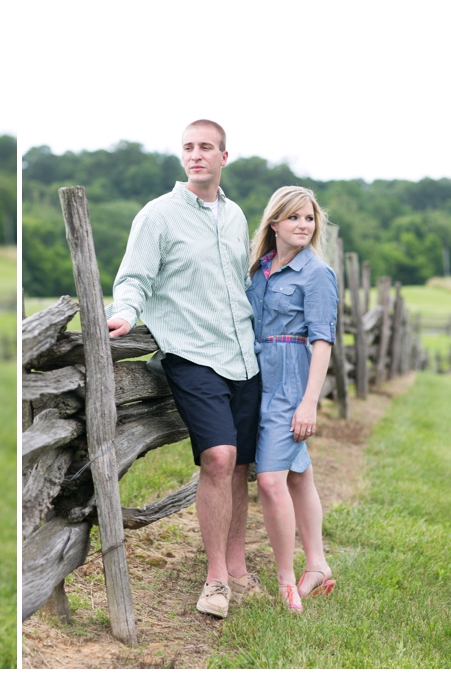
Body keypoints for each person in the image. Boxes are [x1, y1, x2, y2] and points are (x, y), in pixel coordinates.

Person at [105, 120, 262, 619]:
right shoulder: (159, 215)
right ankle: (215, 578)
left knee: (239, 463)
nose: (197, 155)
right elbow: (134, 277)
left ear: (223, 156)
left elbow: (241, 282)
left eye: (206, 148)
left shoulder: (235, 216)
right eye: (189, 148)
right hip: (191, 353)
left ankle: (238, 568)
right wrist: (125, 313)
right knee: (217, 458)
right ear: (183, 156)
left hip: (243, 355)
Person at [246, 186, 338, 613]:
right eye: (295, 218)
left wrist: (309, 402)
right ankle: (317, 565)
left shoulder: (316, 273)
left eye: (310, 218)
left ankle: (285, 580)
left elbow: (323, 341)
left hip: (290, 381)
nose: (304, 225)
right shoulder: (258, 269)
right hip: (256, 376)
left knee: (270, 481)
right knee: (298, 476)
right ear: (274, 223)